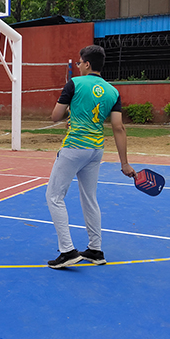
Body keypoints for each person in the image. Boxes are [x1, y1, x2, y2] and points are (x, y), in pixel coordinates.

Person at [46, 44, 136, 268]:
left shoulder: (74, 84)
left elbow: (55, 116)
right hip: (96, 150)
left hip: (75, 146)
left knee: (54, 196)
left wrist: (69, 111)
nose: (78, 66)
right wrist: (124, 163)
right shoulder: (113, 91)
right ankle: (95, 249)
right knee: (89, 198)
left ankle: (67, 251)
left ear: (86, 64)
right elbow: (118, 127)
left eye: (79, 62)